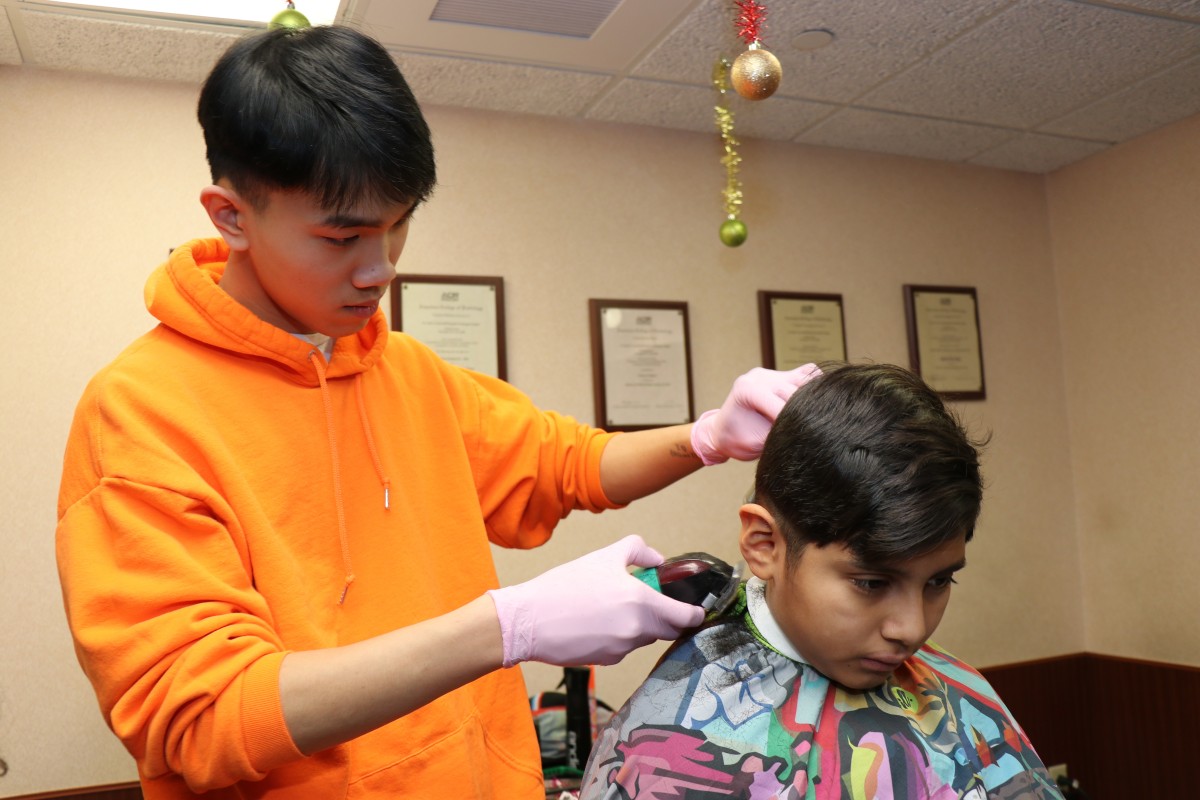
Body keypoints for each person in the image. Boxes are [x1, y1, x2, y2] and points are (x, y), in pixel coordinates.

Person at [53, 24, 821, 800]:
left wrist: (706, 436)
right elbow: (206, 717)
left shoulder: (405, 370)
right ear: (231, 217)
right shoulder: (141, 413)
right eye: (343, 235)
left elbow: (562, 465)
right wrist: (509, 627)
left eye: (399, 223)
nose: (380, 267)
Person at [580, 363, 1064, 800]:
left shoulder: (957, 690)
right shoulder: (673, 750)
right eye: (872, 583)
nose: (912, 630)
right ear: (764, 545)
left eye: (938, 582)